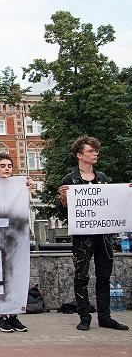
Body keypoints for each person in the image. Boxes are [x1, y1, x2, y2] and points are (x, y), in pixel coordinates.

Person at [58, 136, 128, 331]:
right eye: (91, 151)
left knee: (104, 276)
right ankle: (84, 317)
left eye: (96, 151)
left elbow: (111, 203)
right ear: (80, 155)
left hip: (104, 236)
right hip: (82, 237)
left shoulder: (103, 178)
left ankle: (105, 317)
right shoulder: (70, 179)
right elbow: (66, 209)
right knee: (81, 276)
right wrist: (64, 199)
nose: (95, 153)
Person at [0, 153, 30, 333]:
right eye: (3, 165)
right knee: (1, 276)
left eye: (9, 166)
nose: (7, 169)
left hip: (15, 236)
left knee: (15, 276)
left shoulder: (18, 187)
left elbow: (24, 207)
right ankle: (2, 317)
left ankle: (13, 315)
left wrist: (28, 189)